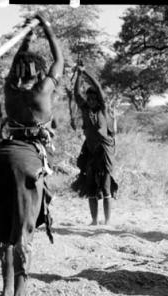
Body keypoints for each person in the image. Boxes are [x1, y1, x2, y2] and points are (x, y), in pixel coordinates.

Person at [0, 13, 64, 296]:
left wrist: (27, 36)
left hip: (0, 158)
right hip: (26, 160)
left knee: (4, 229)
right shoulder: (43, 91)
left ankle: (5, 291)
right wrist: (45, 25)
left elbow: (19, 58)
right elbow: (58, 59)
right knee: (22, 233)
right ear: (38, 71)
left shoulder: (8, 89)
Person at [72, 65, 118, 226]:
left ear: (98, 99)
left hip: (104, 151)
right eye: (89, 98)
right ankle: (93, 220)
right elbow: (76, 94)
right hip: (90, 151)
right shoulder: (85, 109)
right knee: (90, 188)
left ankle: (107, 221)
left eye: (94, 98)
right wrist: (78, 76)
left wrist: (85, 72)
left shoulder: (103, 110)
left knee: (106, 188)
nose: (91, 101)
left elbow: (98, 87)